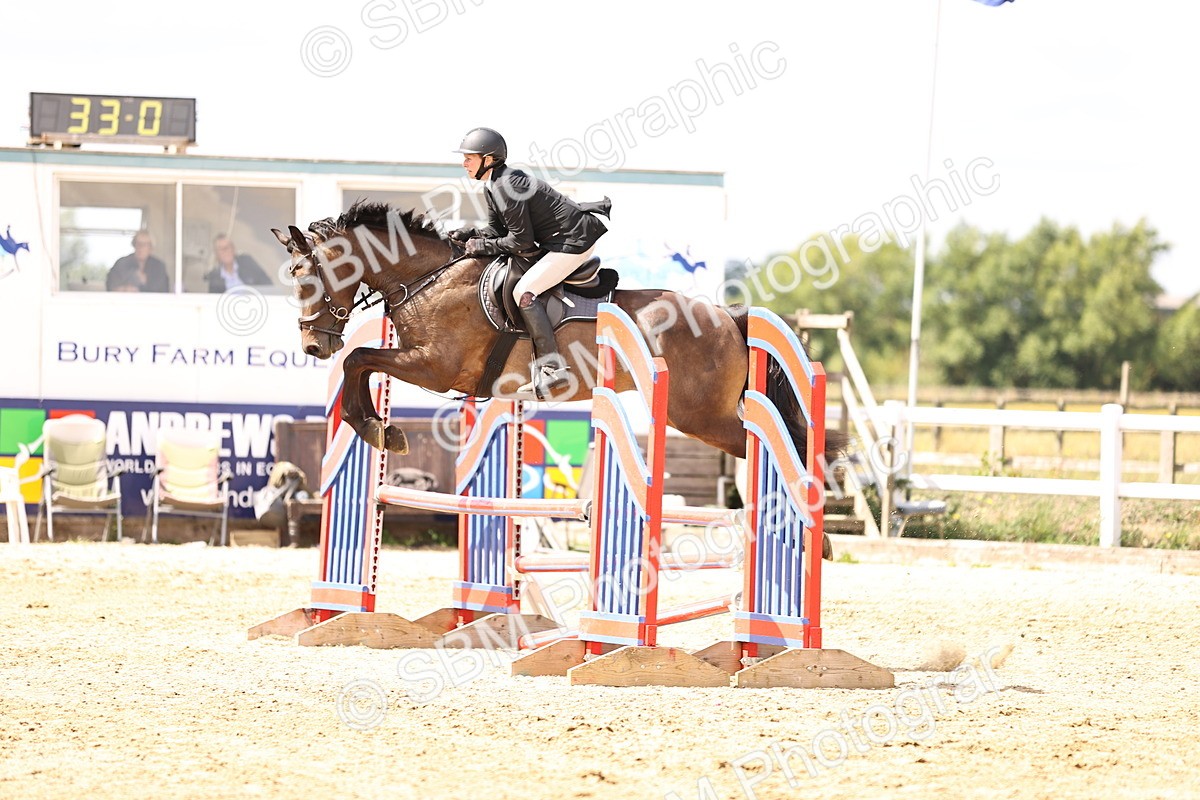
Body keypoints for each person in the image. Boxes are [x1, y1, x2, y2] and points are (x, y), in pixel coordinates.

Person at [449, 127, 609, 399]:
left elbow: (521, 241)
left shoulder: (506, 186)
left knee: (524, 292)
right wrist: (470, 234)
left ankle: (552, 368)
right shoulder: (494, 185)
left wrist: (483, 246)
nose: (464, 163)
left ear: (489, 159)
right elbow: (497, 231)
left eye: (469, 158)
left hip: (574, 241)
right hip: (557, 240)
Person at [204, 234, 271, 293]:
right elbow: (214, 299)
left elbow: (267, 284)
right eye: (221, 249)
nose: (225, 251)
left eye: (227, 247)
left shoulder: (247, 262)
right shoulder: (214, 276)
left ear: (233, 249)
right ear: (216, 254)